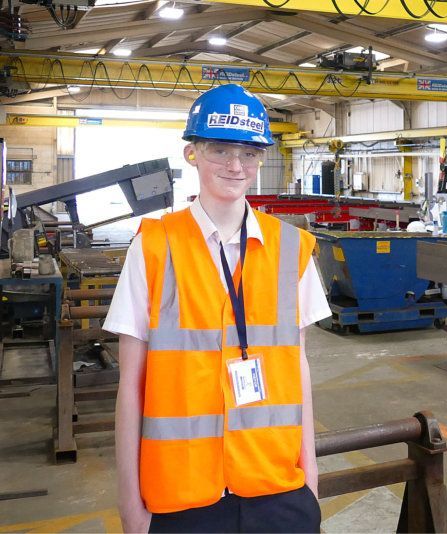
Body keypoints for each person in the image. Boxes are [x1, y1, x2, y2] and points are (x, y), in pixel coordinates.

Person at [105, 84, 332, 533]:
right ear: (192, 153)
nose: (235, 165)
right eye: (220, 150)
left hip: (277, 489)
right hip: (180, 495)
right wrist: (130, 503)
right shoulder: (153, 247)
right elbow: (130, 384)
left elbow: (299, 369)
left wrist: (310, 480)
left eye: (249, 153)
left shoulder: (293, 249)